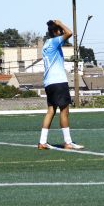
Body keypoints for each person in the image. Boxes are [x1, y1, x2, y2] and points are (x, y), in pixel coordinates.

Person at [38, 19, 84, 150]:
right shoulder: (54, 41)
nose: (61, 32)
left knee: (51, 111)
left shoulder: (46, 44)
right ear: (55, 31)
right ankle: (68, 142)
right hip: (58, 82)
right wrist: (60, 23)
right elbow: (70, 33)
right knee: (64, 111)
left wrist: (58, 26)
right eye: (59, 30)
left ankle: (42, 142)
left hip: (48, 83)